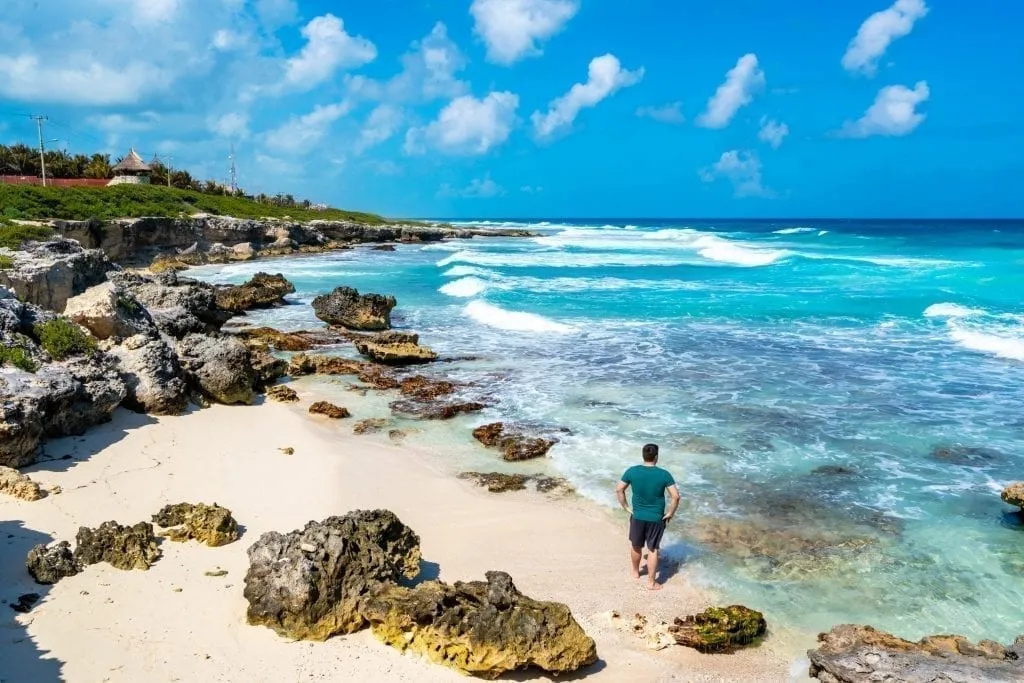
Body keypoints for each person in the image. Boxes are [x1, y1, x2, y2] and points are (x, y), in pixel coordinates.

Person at [616, 443, 680, 591]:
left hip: (637, 516)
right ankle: (651, 583)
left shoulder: (632, 471)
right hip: (656, 518)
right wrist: (670, 513)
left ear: (643, 456)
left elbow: (619, 489)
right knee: (653, 550)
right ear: (656, 457)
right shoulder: (664, 474)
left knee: (636, 546)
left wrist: (626, 507)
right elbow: (675, 497)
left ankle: (636, 572)